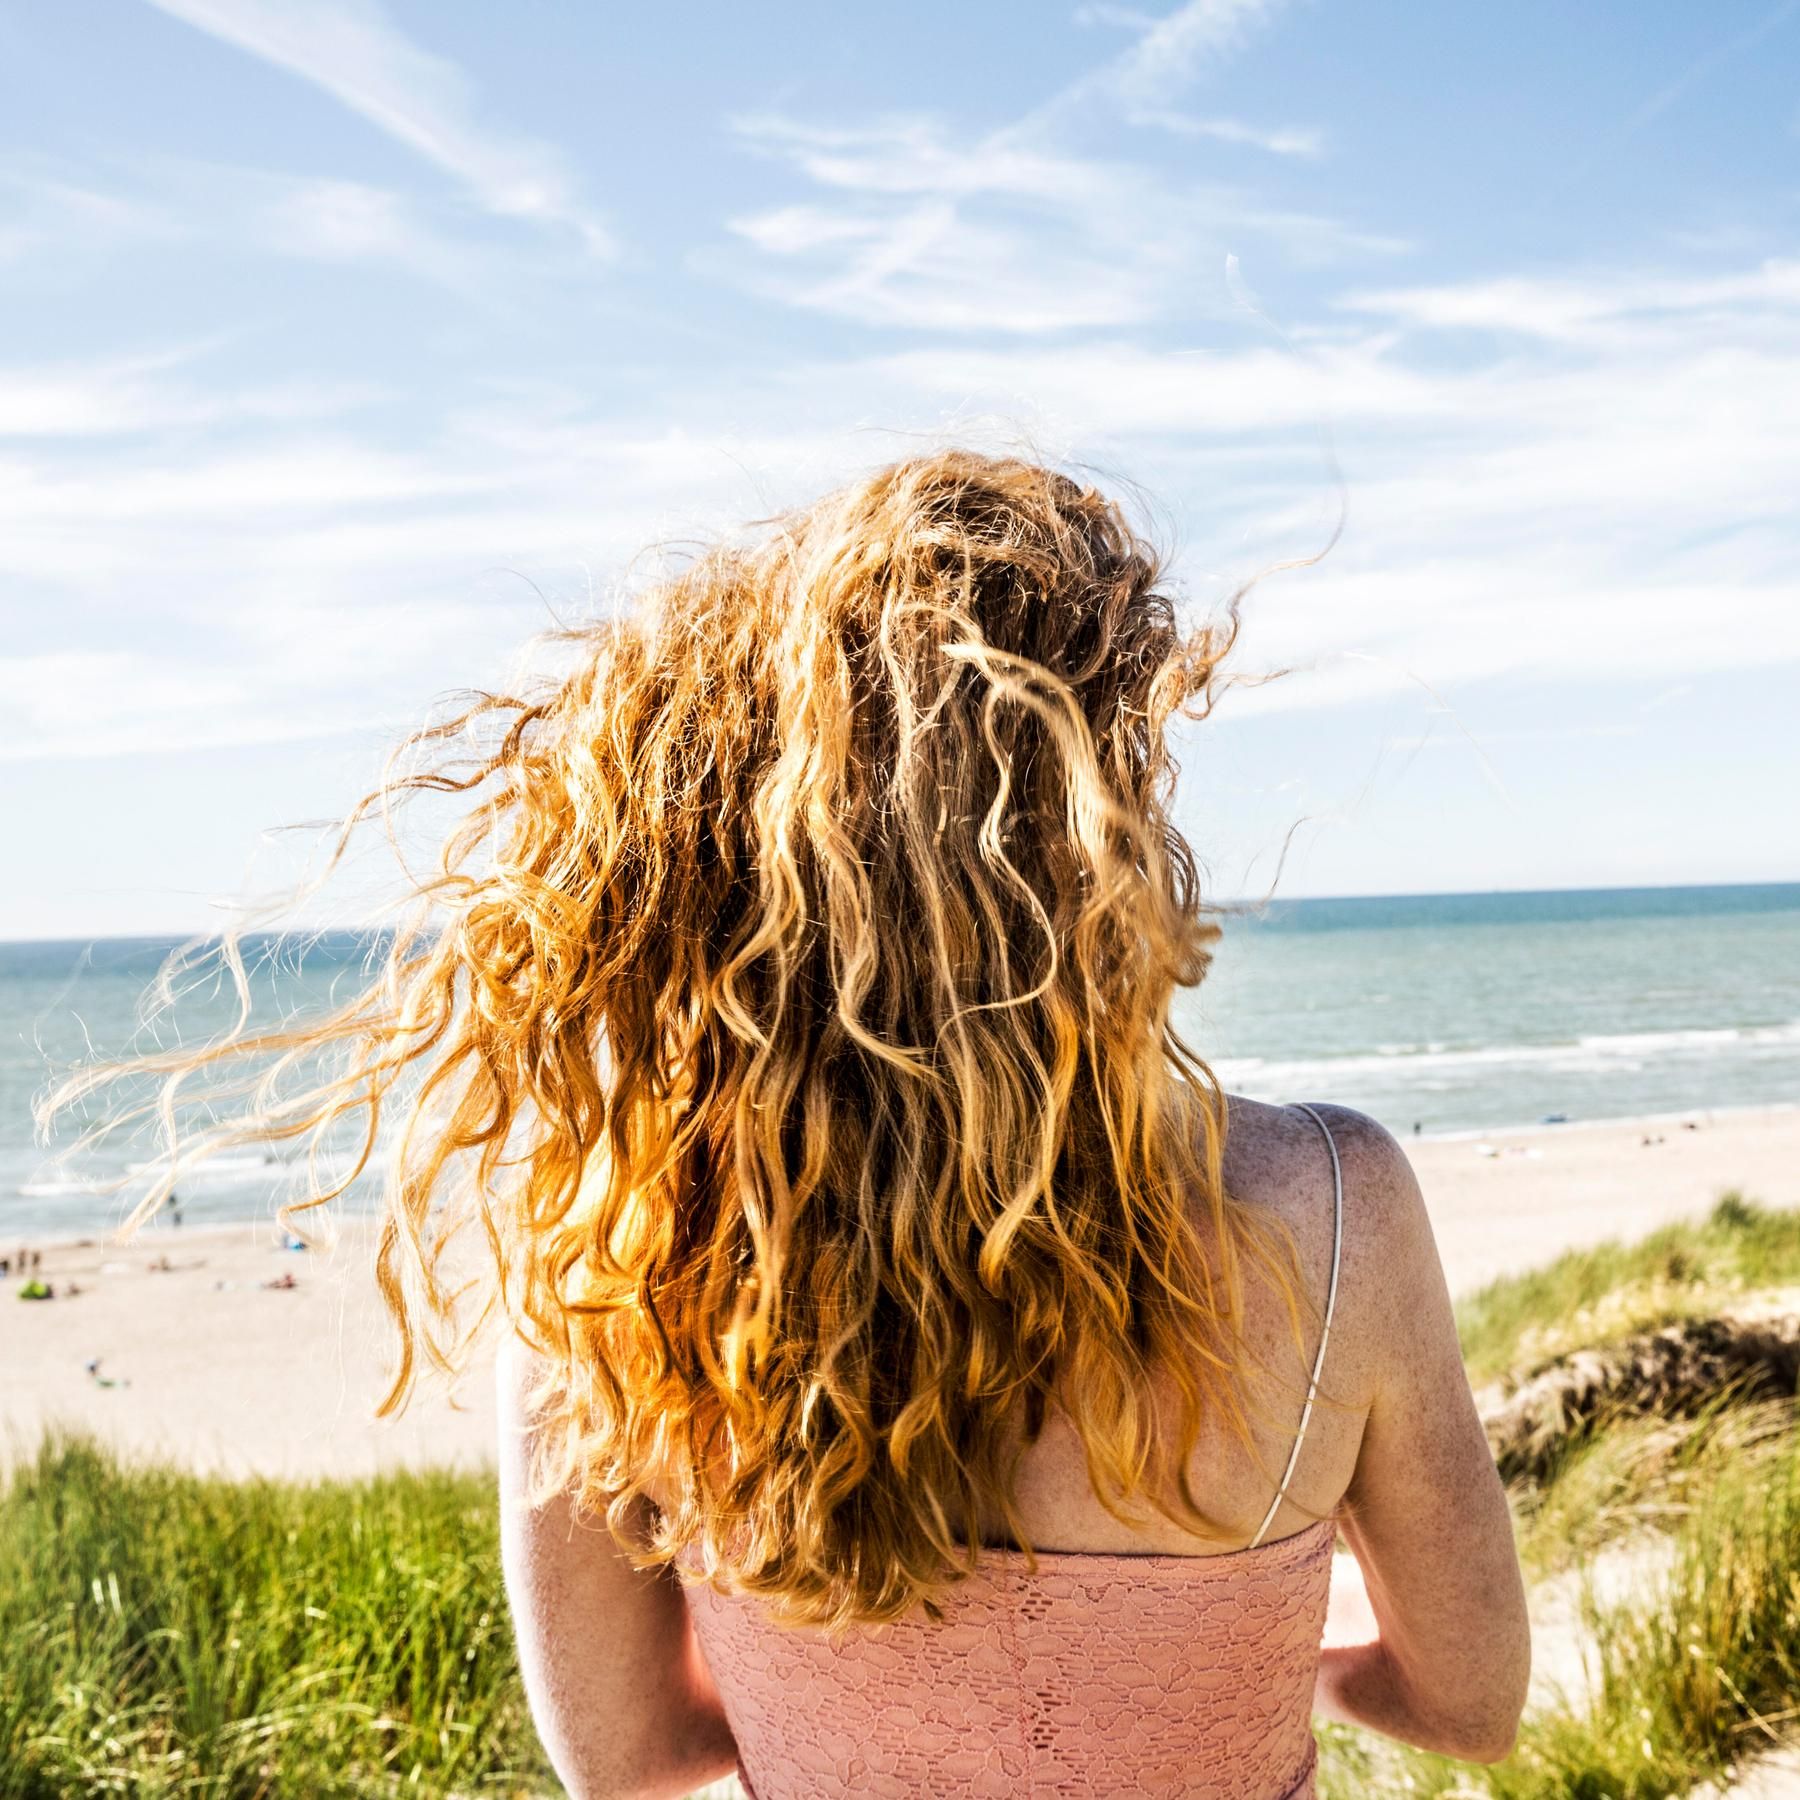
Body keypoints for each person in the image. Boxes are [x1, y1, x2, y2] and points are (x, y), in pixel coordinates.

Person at [61, 453, 1529, 1797]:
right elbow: (1467, 1703)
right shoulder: (1333, 1207)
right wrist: (1273, 1670)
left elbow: (628, 1758)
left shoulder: (614, 1258)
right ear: (1094, 839)